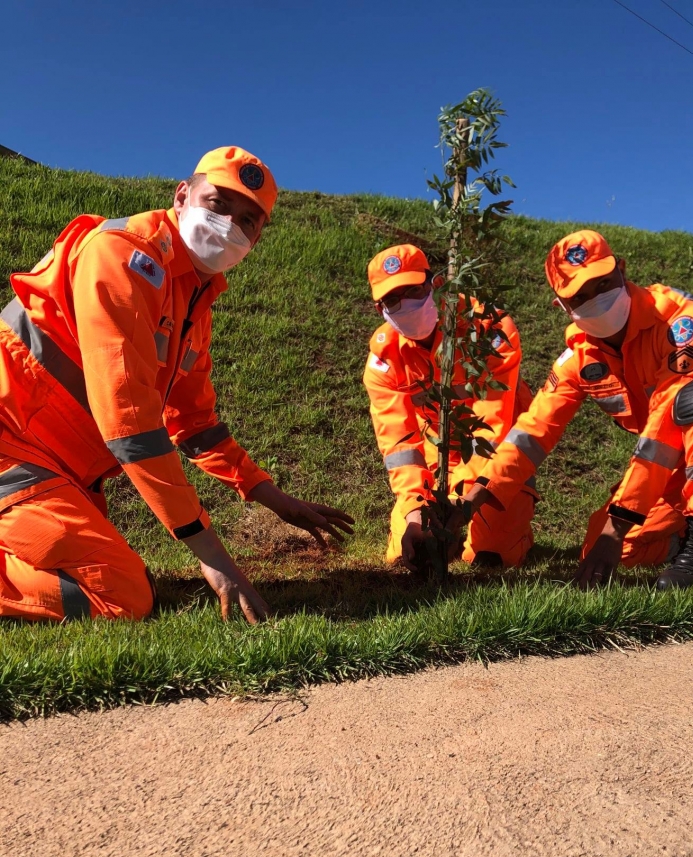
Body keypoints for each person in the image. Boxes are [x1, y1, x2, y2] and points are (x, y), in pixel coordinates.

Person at [0, 146, 353, 623]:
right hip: (15, 454)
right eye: (218, 203)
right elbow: (130, 424)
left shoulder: (193, 298)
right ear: (182, 195)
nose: (230, 224)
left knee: (118, 582)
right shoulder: (122, 254)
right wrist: (215, 558)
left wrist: (274, 499)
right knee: (124, 597)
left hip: (53, 468)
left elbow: (195, 425)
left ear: (258, 238)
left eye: (248, 220)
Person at [453, 229, 693, 588]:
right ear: (562, 306)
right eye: (580, 295)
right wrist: (472, 500)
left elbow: (664, 425)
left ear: (621, 269)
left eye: (603, 283)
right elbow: (533, 432)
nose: (597, 298)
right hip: (686, 458)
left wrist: (616, 525)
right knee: (606, 550)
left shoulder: (685, 322)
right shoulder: (579, 358)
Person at [364, 243, 536, 571]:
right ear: (380, 310)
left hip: (495, 460)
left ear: (436, 285)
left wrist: (461, 501)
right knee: (405, 557)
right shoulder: (384, 361)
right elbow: (399, 445)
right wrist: (416, 509)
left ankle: (513, 533)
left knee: (490, 558)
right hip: (435, 462)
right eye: (392, 300)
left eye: (414, 290)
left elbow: (492, 427)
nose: (406, 305)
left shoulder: (488, 330)